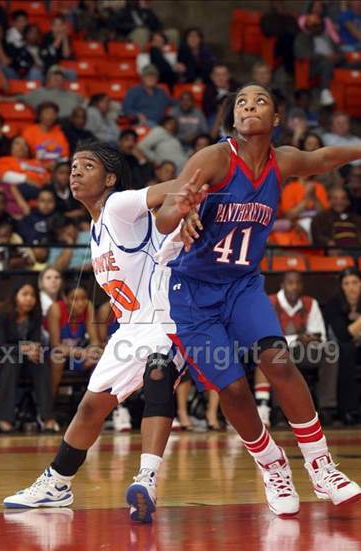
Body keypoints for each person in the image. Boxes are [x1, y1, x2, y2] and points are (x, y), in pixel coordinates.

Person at [153, 83, 361, 515]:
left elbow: (325, 158)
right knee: (231, 389)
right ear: (233, 118)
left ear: (276, 118)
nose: (250, 106)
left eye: (261, 100)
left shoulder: (281, 161)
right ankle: (272, 465)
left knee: (279, 362)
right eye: (242, 102)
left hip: (243, 284)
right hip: (192, 293)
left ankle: (321, 465)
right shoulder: (213, 158)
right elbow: (163, 216)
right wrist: (184, 204)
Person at [3, 141, 185, 524]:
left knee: (158, 375)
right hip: (130, 328)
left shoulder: (118, 206)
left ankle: (147, 480)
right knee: (91, 407)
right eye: (72, 166)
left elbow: (172, 187)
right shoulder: (96, 226)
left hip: (167, 318)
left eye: (87, 166)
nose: (75, 172)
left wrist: (199, 183)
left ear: (111, 178)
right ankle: (57, 483)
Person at [254, 271, 338, 427]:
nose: (294, 287)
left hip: (304, 350)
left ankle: (327, 408)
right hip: (278, 350)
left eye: (298, 283)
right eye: (290, 283)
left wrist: (308, 338)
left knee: (330, 351)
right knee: (276, 354)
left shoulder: (310, 303)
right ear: (283, 285)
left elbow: (320, 336)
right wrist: (296, 337)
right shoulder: (269, 302)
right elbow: (265, 336)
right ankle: (278, 411)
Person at [0, 280, 56, 433]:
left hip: (26, 359)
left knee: (40, 361)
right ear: (15, 296)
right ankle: (4, 418)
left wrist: (34, 349)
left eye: (32, 295)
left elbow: (36, 342)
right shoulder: (0, 313)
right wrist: (25, 349)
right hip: (1, 358)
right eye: (25, 294)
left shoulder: (35, 315)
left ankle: (47, 417)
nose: (29, 299)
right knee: (12, 361)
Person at [47, 283, 101, 395]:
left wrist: (92, 352)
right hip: (52, 354)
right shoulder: (56, 309)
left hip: (78, 354)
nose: (80, 303)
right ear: (65, 299)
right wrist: (81, 353)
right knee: (58, 357)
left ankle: (95, 403)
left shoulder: (88, 307)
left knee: (101, 356)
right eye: (75, 299)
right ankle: (48, 403)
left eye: (83, 299)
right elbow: (55, 344)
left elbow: (95, 340)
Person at [324, 267, 361, 425]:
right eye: (346, 283)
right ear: (341, 286)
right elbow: (343, 335)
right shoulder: (333, 304)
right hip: (339, 350)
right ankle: (349, 411)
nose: (351, 287)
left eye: (355, 282)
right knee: (346, 350)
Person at [0, 66, 85, 119]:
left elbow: (85, 103)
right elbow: (19, 98)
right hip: (52, 123)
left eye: (61, 78)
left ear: (64, 81)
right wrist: (1, 99)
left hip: (73, 123)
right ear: (47, 80)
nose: (58, 79)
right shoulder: (38, 93)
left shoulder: (73, 95)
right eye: (55, 77)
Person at [22, 102, 69, 169]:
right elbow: (24, 155)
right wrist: (43, 165)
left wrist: (55, 164)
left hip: (56, 169)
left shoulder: (60, 133)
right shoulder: (29, 132)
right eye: (47, 113)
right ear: (39, 115)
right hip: (34, 168)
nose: (50, 116)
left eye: (53, 114)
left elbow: (65, 155)